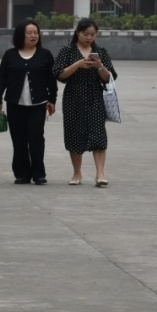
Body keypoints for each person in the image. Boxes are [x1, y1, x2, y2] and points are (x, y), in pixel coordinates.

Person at [52, 18, 118, 188]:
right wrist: (78, 64)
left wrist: (99, 66)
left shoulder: (100, 52)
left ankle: (100, 174)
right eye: (85, 34)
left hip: (95, 96)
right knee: (74, 134)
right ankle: (77, 173)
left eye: (92, 34)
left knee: (98, 134)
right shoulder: (67, 51)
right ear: (77, 33)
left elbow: (110, 77)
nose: (89, 37)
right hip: (74, 97)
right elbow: (59, 74)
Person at [0, 20, 58, 185]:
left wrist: (52, 99)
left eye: (36, 32)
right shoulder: (10, 55)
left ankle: (39, 174)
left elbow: (51, 80)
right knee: (19, 140)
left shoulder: (45, 55)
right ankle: (22, 174)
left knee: (36, 139)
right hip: (15, 104)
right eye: (29, 33)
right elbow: (2, 78)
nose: (33, 36)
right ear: (20, 35)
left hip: (38, 105)